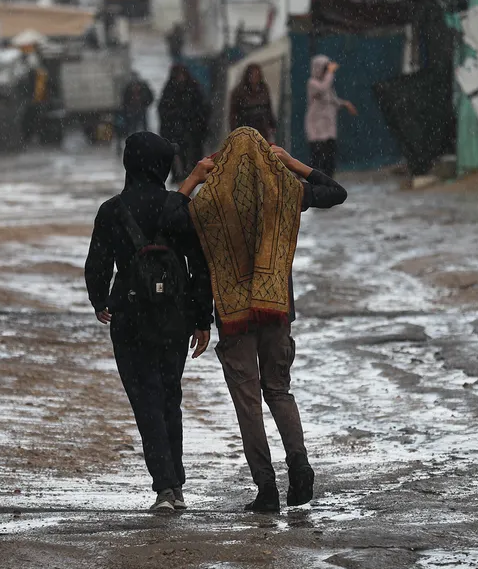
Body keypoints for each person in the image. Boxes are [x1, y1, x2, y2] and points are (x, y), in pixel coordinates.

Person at [179, 127, 347, 513]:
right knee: (279, 391)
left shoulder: (211, 202)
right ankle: (300, 466)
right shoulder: (284, 191)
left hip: (233, 316)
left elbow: (193, 253)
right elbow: (336, 192)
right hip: (277, 309)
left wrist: (194, 177)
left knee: (248, 402)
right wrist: (292, 163)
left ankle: (266, 487)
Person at [85, 133, 214, 513]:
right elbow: (199, 266)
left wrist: (99, 301)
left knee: (146, 401)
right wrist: (202, 319)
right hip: (175, 317)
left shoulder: (111, 210)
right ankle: (176, 484)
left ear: (129, 164)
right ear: (162, 165)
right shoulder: (178, 208)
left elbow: (97, 264)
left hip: (129, 317)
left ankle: (165, 487)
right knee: (170, 396)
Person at [304, 55, 357, 177]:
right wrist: (330, 73)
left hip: (328, 126)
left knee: (330, 157)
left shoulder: (327, 85)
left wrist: (346, 104)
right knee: (317, 157)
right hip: (316, 127)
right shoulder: (312, 83)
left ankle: (328, 180)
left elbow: (333, 100)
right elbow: (323, 88)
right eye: (324, 69)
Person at [158, 64, 209, 182]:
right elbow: (163, 110)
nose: (180, 78)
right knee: (177, 154)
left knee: (192, 153)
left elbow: (202, 108)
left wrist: (197, 121)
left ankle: (191, 175)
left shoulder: (193, 88)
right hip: (175, 129)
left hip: (192, 129)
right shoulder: (169, 90)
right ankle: (179, 176)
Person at [228, 64, 277, 142]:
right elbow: (233, 115)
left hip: (261, 132)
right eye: (253, 75)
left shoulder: (263, 90)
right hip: (245, 132)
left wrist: (272, 125)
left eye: (257, 75)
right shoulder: (239, 92)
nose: (255, 78)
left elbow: (268, 110)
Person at [116, 75, 154, 154]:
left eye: (137, 86)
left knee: (144, 129)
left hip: (141, 111)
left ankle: (145, 144)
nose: (136, 87)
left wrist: (144, 104)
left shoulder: (144, 89)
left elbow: (150, 98)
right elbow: (124, 99)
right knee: (132, 129)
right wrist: (129, 106)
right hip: (132, 112)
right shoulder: (128, 89)